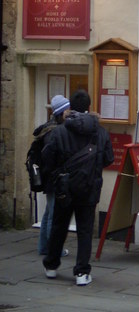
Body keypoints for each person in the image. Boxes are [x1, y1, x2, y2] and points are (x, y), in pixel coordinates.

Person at [42, 89, 114, 286]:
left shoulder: (59, 131)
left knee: (59, 226)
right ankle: (82, 273)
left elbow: (48, 159)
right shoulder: (100, 132)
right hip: (89, 187)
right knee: (84, 231)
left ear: (70, 108)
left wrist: (58, 174)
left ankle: (51, 266)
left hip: (65, 186)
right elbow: (109, 159)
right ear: (89, 108)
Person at [36, 95, 71, 257]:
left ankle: (44, 247)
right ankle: (52, 249)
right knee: (53, 215)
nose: (70, 112)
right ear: (61, 112)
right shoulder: (54, 131)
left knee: (48, 212)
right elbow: (51, 155)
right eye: (67, 109)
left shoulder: (49, 128)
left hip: (49, 176)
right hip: (53, 177)